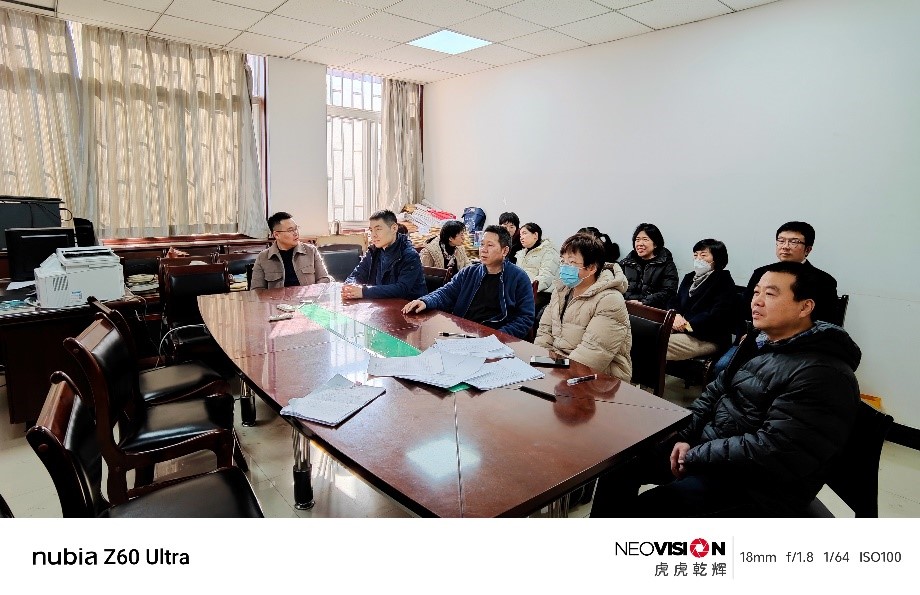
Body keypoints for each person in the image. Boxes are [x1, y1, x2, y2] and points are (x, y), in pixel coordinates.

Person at [591, 261, 861, 517]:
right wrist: (683, 435)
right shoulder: (760, 341)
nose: (756, 301)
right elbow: (713, 393)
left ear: (805, 307)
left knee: (646, 511)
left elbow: (774, 450)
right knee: (620, 462)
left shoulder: (823, 374)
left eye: (770, 294)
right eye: (756, 292)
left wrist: (693, 456)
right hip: (715, 452)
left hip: (757, 486)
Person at [402, 225, 534, 339]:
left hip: (496, 339)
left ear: (504, 250)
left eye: (490, 245)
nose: (483, 249)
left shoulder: (519, 278)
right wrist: (425, 301)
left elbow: (525, 318)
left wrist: (498, 336)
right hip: (464, 333)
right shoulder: (470, 272)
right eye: (482, 244)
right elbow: (446, 293)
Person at [535, 233, 632, 382]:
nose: (564, 267)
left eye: (572, 262)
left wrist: (554, 375)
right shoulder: (562, 290)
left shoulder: (610, 300)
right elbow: (544, 331)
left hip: (600, 377)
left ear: (592, 268)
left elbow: (594, 353)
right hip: (561, 365)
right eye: (563, 261)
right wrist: (539, 362)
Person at [745, 221, 839, 324]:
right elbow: (745, 311)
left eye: (794, 242)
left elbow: (826, 321)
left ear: (808, 250)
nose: (785, 246)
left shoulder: (824, 281)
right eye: (781, 241)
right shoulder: (760, 273)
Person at [665, 239, 738, 361]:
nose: (698, 259)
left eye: (703, 255)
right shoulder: (689, 277)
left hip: (707, 337)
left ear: (717, 258)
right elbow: (675, 300)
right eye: (695, 255)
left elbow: (717, 315)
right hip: (681, 330)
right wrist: (675, 315)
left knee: (660, 343)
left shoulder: (723, 281)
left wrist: (686, 326)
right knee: (646, 336)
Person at [343, 209, 426, 300]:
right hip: (381, 304)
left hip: (407, 306)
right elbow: (356, 275)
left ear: (394, 228)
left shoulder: (409, 255)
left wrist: (364, 291)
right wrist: (350, 285)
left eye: (378, 229)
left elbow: (401, 289)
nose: (373, 235)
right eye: (371, 230)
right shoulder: (373, 251)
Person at [250, 212, 331, 289]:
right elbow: (257, 290)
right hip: (277, 299)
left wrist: (312, 293)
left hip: (308, 298)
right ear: (276, 235)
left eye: (296, 229)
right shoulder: (263, 257)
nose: (296, 233)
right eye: (290, 230)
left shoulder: (311, 251)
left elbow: (324, 279)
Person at [619, 223, 679, 308]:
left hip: (651, 310)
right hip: (625, 308)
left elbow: (669, 291)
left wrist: (644, 302)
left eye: (645, 239)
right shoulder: (626, 263)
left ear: (655, 244)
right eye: (637, 240)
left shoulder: (667, 265)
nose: (640, 244)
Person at [514, 222, 558, 311]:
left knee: (520, 308)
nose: (521, 237)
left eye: (524, 233)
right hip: (522, 291)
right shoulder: (520, 254)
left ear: (535, 235)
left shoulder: (549, 251)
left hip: (541, 293)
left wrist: (527, 289)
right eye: (520, 235)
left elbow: (546, 276)